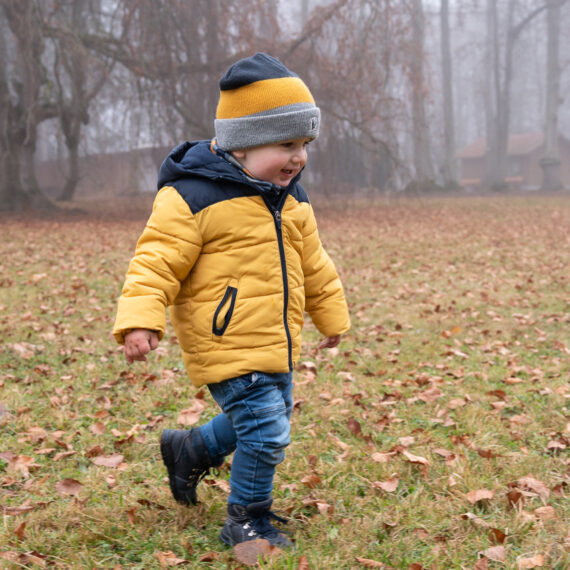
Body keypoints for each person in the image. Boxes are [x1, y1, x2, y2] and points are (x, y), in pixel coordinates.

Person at [113, 52, 350, 548]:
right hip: (226, 340)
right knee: (265, 431)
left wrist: (331, 316)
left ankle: (192, 449)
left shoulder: (291, 198)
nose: (299, 157)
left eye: (304, 145)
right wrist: (140, 320)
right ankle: (247, 519)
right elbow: (155, 261)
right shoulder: (192, 196)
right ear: (242, 144)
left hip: (276, 337)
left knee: (268, 416)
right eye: (286, 144)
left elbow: (314, 263)